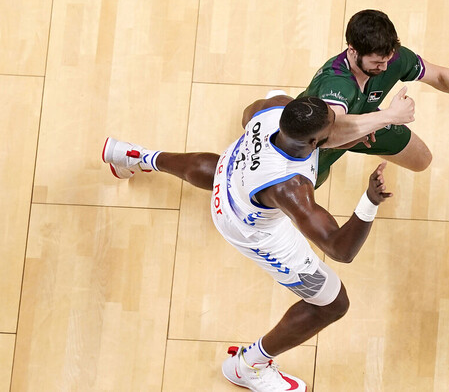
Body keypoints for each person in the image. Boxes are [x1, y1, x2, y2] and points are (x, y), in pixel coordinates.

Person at [102, 95, 392, 391]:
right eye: (333, 129)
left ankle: (135, 155)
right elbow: (340, 250)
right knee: (332, 303)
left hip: (229, 179)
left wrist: (351, 138)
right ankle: (249, 366)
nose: (339, 128)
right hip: (250, 230)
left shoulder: (274, 107)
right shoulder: (291, 188)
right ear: (314, 142)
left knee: (220, 168)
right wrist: (370, 200)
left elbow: (247, 116)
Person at [301, 9, 449, 188]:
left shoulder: (391, 58)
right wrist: (388, 116)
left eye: (387, 59)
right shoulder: (337, 84)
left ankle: (365, 134)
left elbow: (440, 77)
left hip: (367, 118)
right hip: (308, 152)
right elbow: (327, 136)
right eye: (376, 63)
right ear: (352, 50)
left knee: (421, 159)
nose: (384, 68)